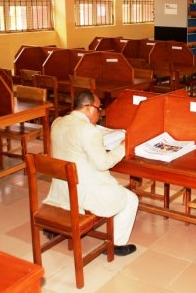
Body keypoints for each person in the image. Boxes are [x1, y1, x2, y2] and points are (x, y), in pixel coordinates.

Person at [43, 90, 138, 256]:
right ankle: (116, 245)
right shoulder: (88, 131)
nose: (99, 114)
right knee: (131, 199)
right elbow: (104, 163)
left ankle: (59, 224)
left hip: (62, 190)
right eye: (99, 109)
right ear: (89, 108)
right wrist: (124, 146)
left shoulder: (57, 122)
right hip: (83, 192)